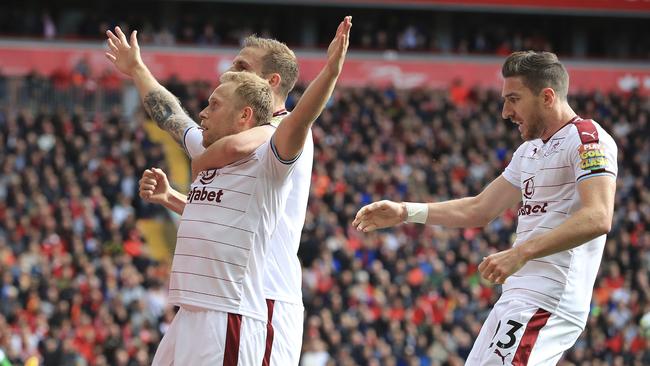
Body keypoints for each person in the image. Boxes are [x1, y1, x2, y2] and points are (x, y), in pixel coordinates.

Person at [105, 17, 351, 365]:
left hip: (261, 297)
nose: (230, 68)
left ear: (271, 81)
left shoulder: (283, 134)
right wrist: (138, 70)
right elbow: (174, 120)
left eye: (241, 65)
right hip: (209, 297)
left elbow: (296, 121)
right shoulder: (227, 136)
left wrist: (331, 71)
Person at [353, 51, 617, 365]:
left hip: (550, 298)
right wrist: (406, 211)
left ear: (547, 96)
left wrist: (521, 252)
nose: (506, 111)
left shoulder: (587, 140)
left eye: (514, 99)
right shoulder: (529, 151)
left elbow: (598, 216)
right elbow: (479, 209)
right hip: (518, 296)